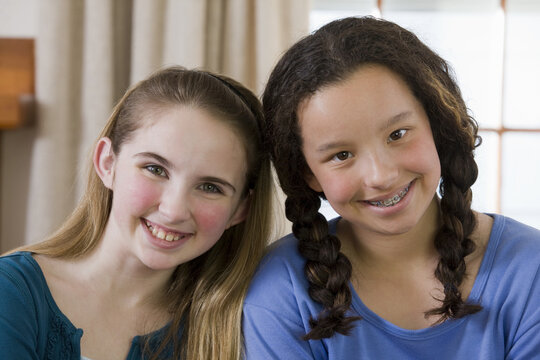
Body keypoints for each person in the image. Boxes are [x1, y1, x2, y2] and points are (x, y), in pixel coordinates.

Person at [242, 16, 540, 359]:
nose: (380, 176)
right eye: (341, 155)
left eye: (397, 134)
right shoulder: (281, 289)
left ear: (436, 126)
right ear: (307, 173)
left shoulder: (530, 268)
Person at [0, 66, 274, 360]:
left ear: (240, 209)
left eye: (209, 187)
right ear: (108, 163)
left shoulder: (240, 329)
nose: (173, 211)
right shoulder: (11, 294)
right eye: (155, 169)